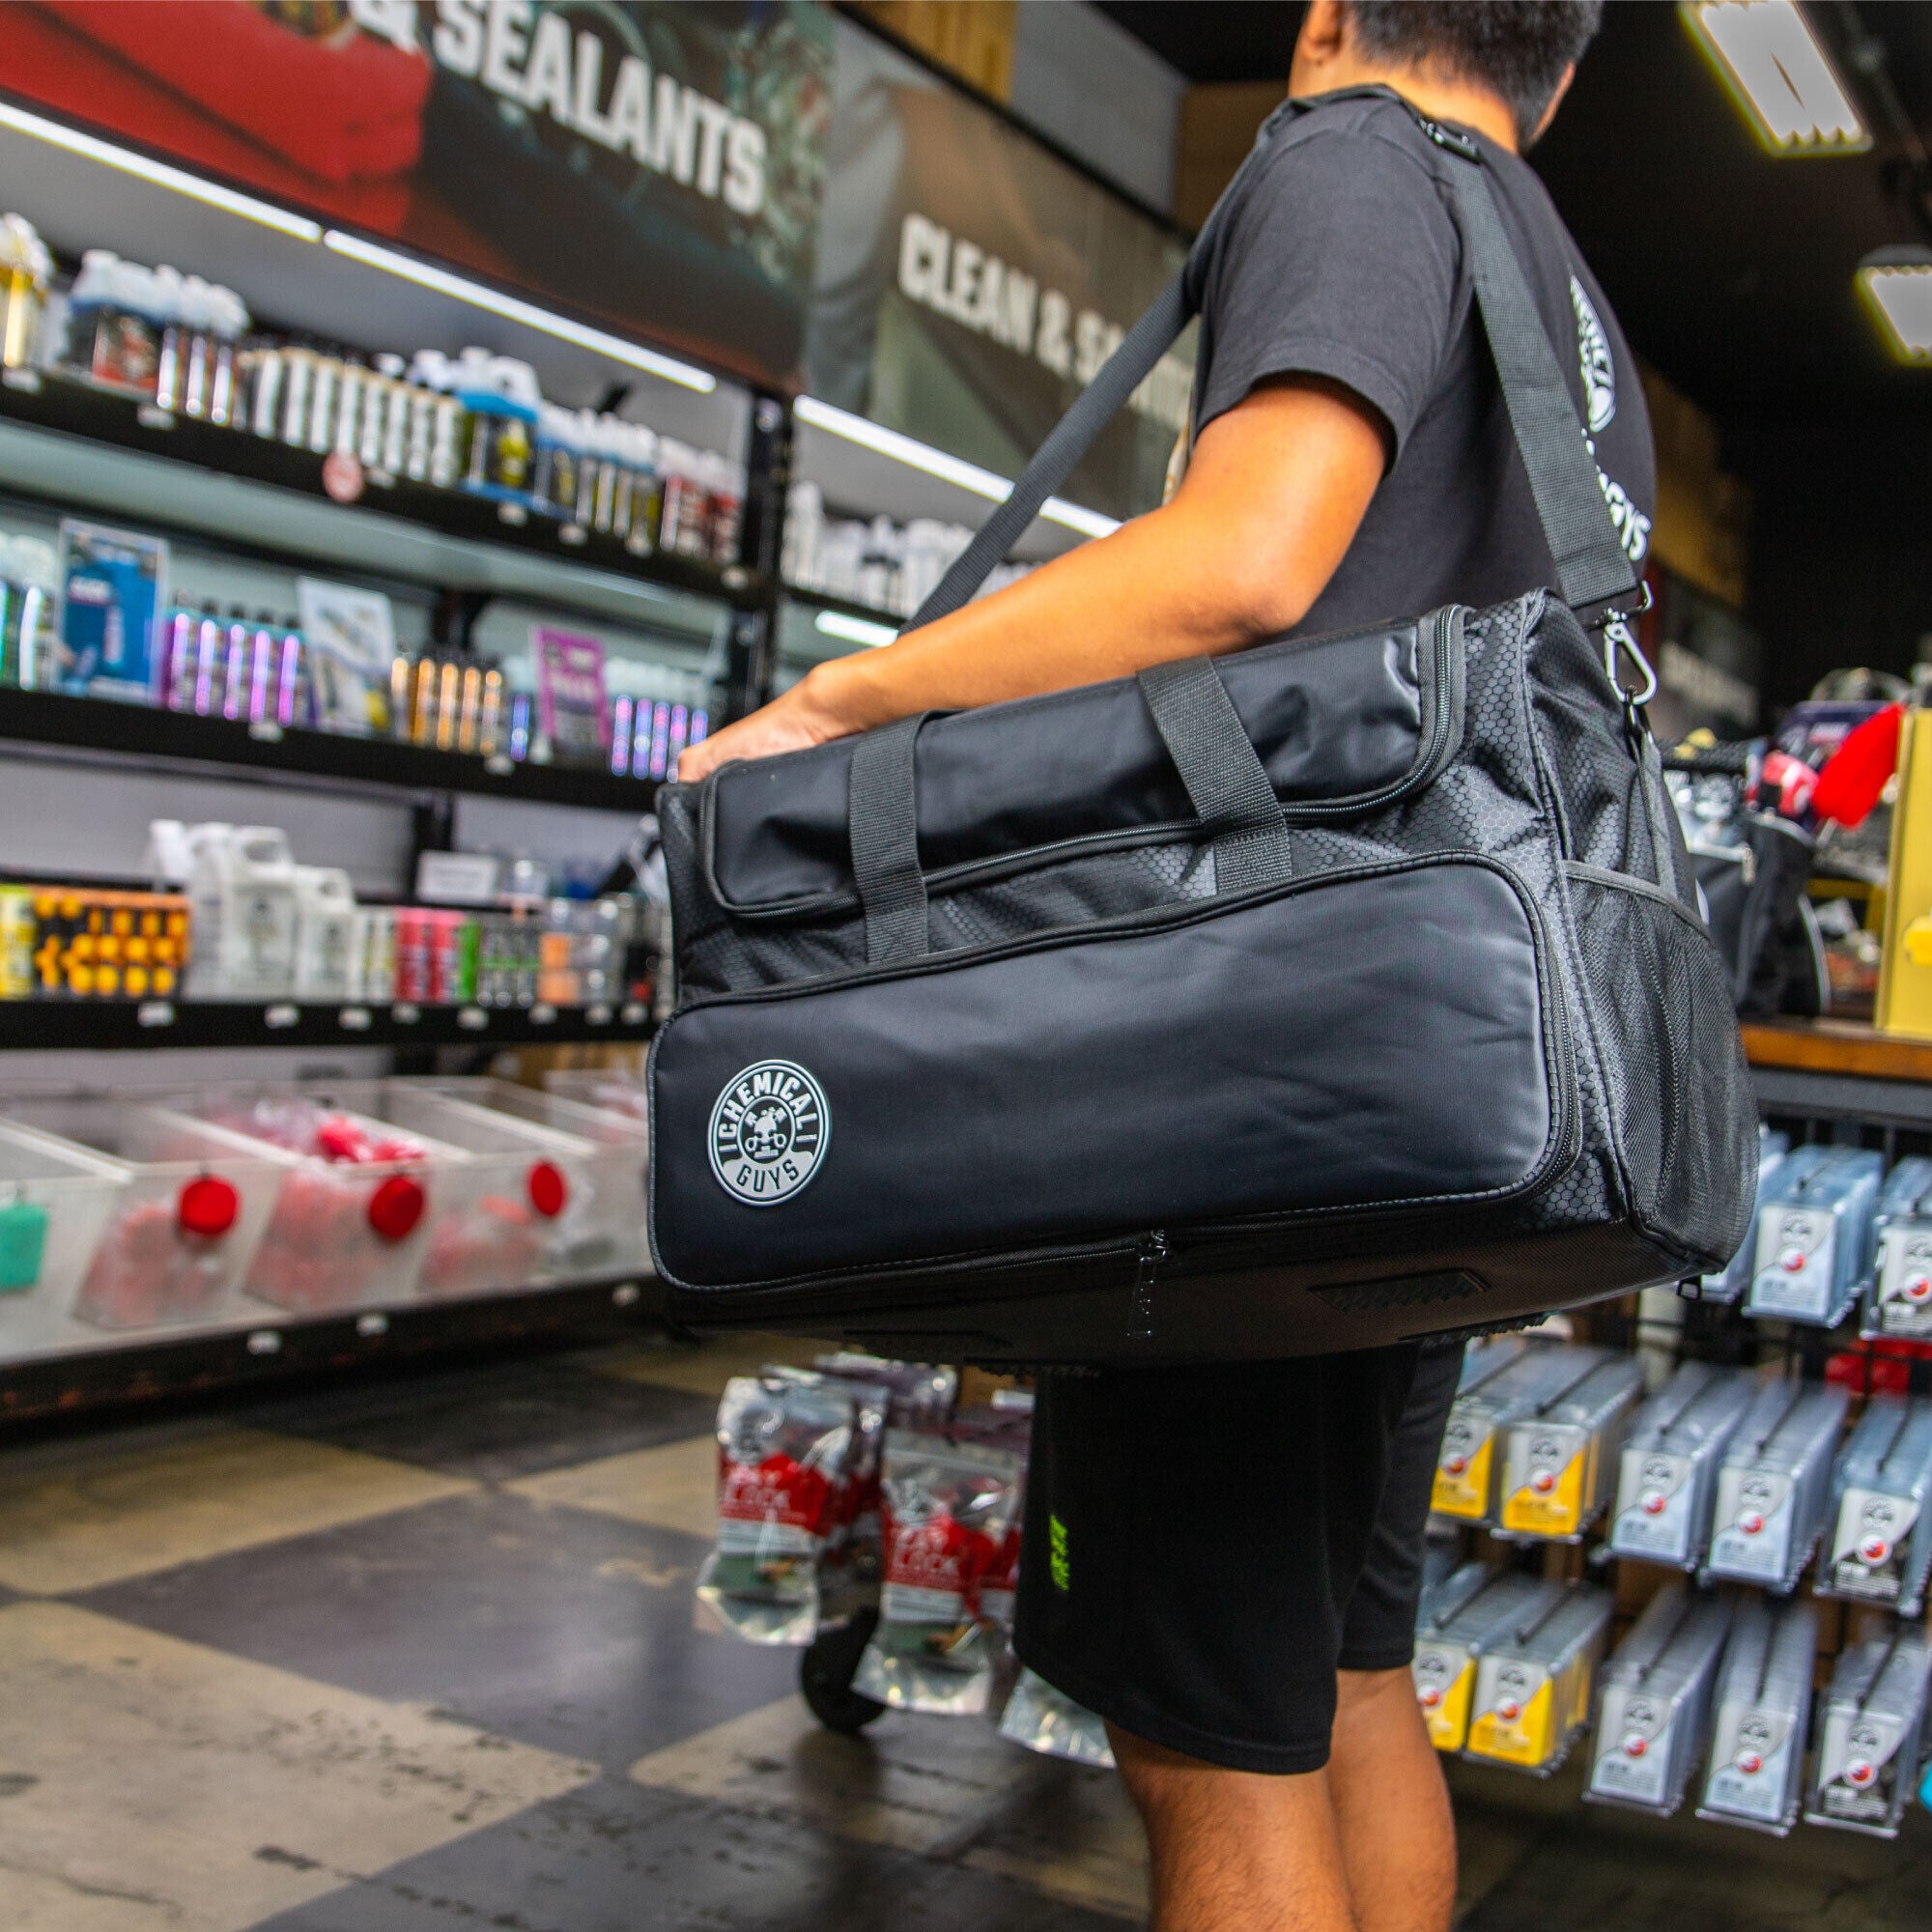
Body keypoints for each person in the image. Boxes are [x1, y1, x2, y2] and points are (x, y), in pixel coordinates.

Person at [680, 4, 1651, 1928]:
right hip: (1427, 1076)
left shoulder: (1355, 155)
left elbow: (1241, 563)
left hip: (1252, 1089)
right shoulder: (1551, 271)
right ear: (1556, 75)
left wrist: (845, 706)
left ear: (1326, 16)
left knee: (1211, 1738)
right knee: (1345, 1677)